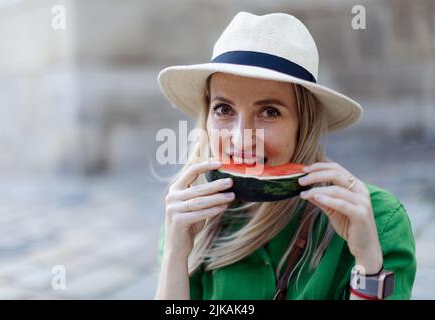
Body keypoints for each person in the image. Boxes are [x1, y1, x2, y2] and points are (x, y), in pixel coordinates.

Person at [154, 11, 416, 300]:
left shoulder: (378, 220)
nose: (241, 138)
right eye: (224, 109)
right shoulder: (189, 214)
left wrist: (367, 263)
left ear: (304, 124)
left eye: (269, 112)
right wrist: (175, 256)